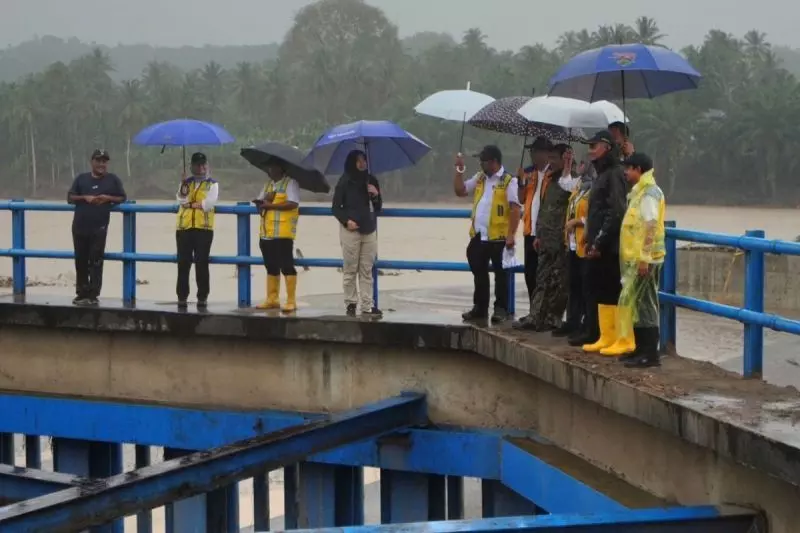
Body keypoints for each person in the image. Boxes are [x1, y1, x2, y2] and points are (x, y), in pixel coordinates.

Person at [514, 143, 579, 331]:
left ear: (564, 159)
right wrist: (539, 234)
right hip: (545, 238)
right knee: (541, 278)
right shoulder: (550, 180)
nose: (550, 162)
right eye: (548, 158)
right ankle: (535, 316)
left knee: (558, 282)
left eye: (554, 159)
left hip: (562, 239)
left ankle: (552, 318)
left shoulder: (573, 181)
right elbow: (544, 208)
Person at [454, 145, 520, 323]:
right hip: (479, 235)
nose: (480, 164)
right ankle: (480, 308)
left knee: (501, 275)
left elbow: (515, 209)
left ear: (494, 162)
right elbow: (460, 191)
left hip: (499, 236)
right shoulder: (480, 178)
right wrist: (459, 170)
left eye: (483, 161)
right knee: (479, 272)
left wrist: (511, 234)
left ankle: (501, 309)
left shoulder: (509, 180)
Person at [611, 152, 665, 367]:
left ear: (639, 170)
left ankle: (650, 354)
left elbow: (650, 226)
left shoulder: (649, 193)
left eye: (629, 168)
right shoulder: (639, 193)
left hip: (647, 260)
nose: (625, 172)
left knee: (646, 305)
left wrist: (644, 258)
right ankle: (639, 349)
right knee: (637, 304)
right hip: (636, 259)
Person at [579, 131, 628, 353]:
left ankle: (616, 338)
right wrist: (590, 237)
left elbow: (616, 211)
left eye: (594, 145)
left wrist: (599, 242)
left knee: (610, 289)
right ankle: (602, 335)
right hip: (596, 243)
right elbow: (596, 211)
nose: (590, 150)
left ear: (607, 147)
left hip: (610, 246)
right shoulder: (600, 174)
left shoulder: (615, 173)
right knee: (595, 288)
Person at [67, 150, 127, 306]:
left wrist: (108, 198)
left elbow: (122, 197)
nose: (101, 164)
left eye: (104, 162)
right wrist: (85, 197)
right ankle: (81, 293)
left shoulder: (113, 180)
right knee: (80, 260)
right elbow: (70, 197)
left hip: (99, 227)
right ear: (92, 162)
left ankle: (93, 294)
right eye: (98, 161)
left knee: (96, 261)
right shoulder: (81, 179)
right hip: (79, 226)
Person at [332, 150, 383, 317]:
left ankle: (367, 305)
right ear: (352, 162)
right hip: (350, 230)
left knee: (366, 269)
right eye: (358, 160)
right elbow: (335, 207)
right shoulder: (344, 181)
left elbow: (378, 207)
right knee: (350, 269)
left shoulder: (371, 180)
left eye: (364, 160)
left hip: (369, 230)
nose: (362, 163)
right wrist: (347, 221)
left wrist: (375, 195)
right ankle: (351, 304)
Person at [254, 159, 300, 313]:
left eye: (273, 167)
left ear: (281, 168)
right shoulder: (268, 185)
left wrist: (270, 205)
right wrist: (260, 203)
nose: (270, 170)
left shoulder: (290, 183)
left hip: (283, 233)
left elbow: (293, 203)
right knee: (270, 266)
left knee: (287, 266)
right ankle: (272, 298)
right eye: (269, 167)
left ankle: (291, 300)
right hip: (266, 233)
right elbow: (261, 204)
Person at [553, 162, 592, 339]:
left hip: (585, 244)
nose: (580, 167)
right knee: (573, 285)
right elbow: (564, 183)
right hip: (573, 244)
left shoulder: (595, 189)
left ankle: (585, 324)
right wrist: (566, 166)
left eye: (584, 164)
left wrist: (577, 222)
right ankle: (572, 321)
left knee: (585, 287)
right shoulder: (578, 186)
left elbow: (595, 215)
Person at [175, 152, 218, 310]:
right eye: (197, 164)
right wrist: (184, 185)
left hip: (203, 229)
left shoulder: (212, 184)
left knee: (201, 263)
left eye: (203, 164)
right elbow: (181, 200)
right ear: (191, 166)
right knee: (183, 263)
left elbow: (208, 204)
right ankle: (182, 296)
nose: (200, 167)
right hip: (184, 228)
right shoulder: (186, 183)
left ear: (206, 165)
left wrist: (191, 204)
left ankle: (202, 297)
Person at [518, 137, 553, 302]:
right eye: (531, 151)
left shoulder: (553, 174)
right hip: (529, 230)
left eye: (536, 151)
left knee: (544, 274)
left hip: (545, 232)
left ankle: (542, 312)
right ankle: (534, 310)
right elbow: (521, 199)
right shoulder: (528, 172)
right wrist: (521, 182)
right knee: (529, 273)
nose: (532, 154)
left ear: (546, 154)